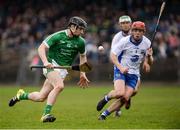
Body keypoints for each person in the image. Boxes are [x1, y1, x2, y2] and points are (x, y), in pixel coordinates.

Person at [8, 16, 90, 123]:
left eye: (83, 29)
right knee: (59, 86)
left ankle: (20, 95)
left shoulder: (81, 42)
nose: (82, 31)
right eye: (80, 28)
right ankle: (45, 115)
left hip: (63, 70)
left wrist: (82, 74)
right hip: (51, 66)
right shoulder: (58, 36)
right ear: (72, 27)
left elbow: (83, 57)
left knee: (41, 97)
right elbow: (41, 47)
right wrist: (46, 62)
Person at [97, 21, 153, 120]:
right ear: (132, 31)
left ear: (143, 32)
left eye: (140, 31)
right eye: (135, 30)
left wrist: (148, 59)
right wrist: (120, 67)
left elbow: (149, 61)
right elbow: (113, 55)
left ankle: (104, 115)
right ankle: (106, 98)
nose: (137, 33)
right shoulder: (124, 41)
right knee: (119, 93)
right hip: (121, 69)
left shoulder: (147, 43)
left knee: (126, 98)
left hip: (134, 73)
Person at [111, 15, 151, 117]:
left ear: (131, 24)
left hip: (134, 69)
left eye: (127, 23)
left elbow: (144, 52)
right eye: (123, 23)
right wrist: (120, 67)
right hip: (121, 66)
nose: (125, 25)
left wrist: (146, 61)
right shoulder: (117, 37)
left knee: (134, 91)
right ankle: (117, 110)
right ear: (120, 25)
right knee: (119, 91)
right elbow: (114, 54)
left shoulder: (139, 35)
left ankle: (128, 98)